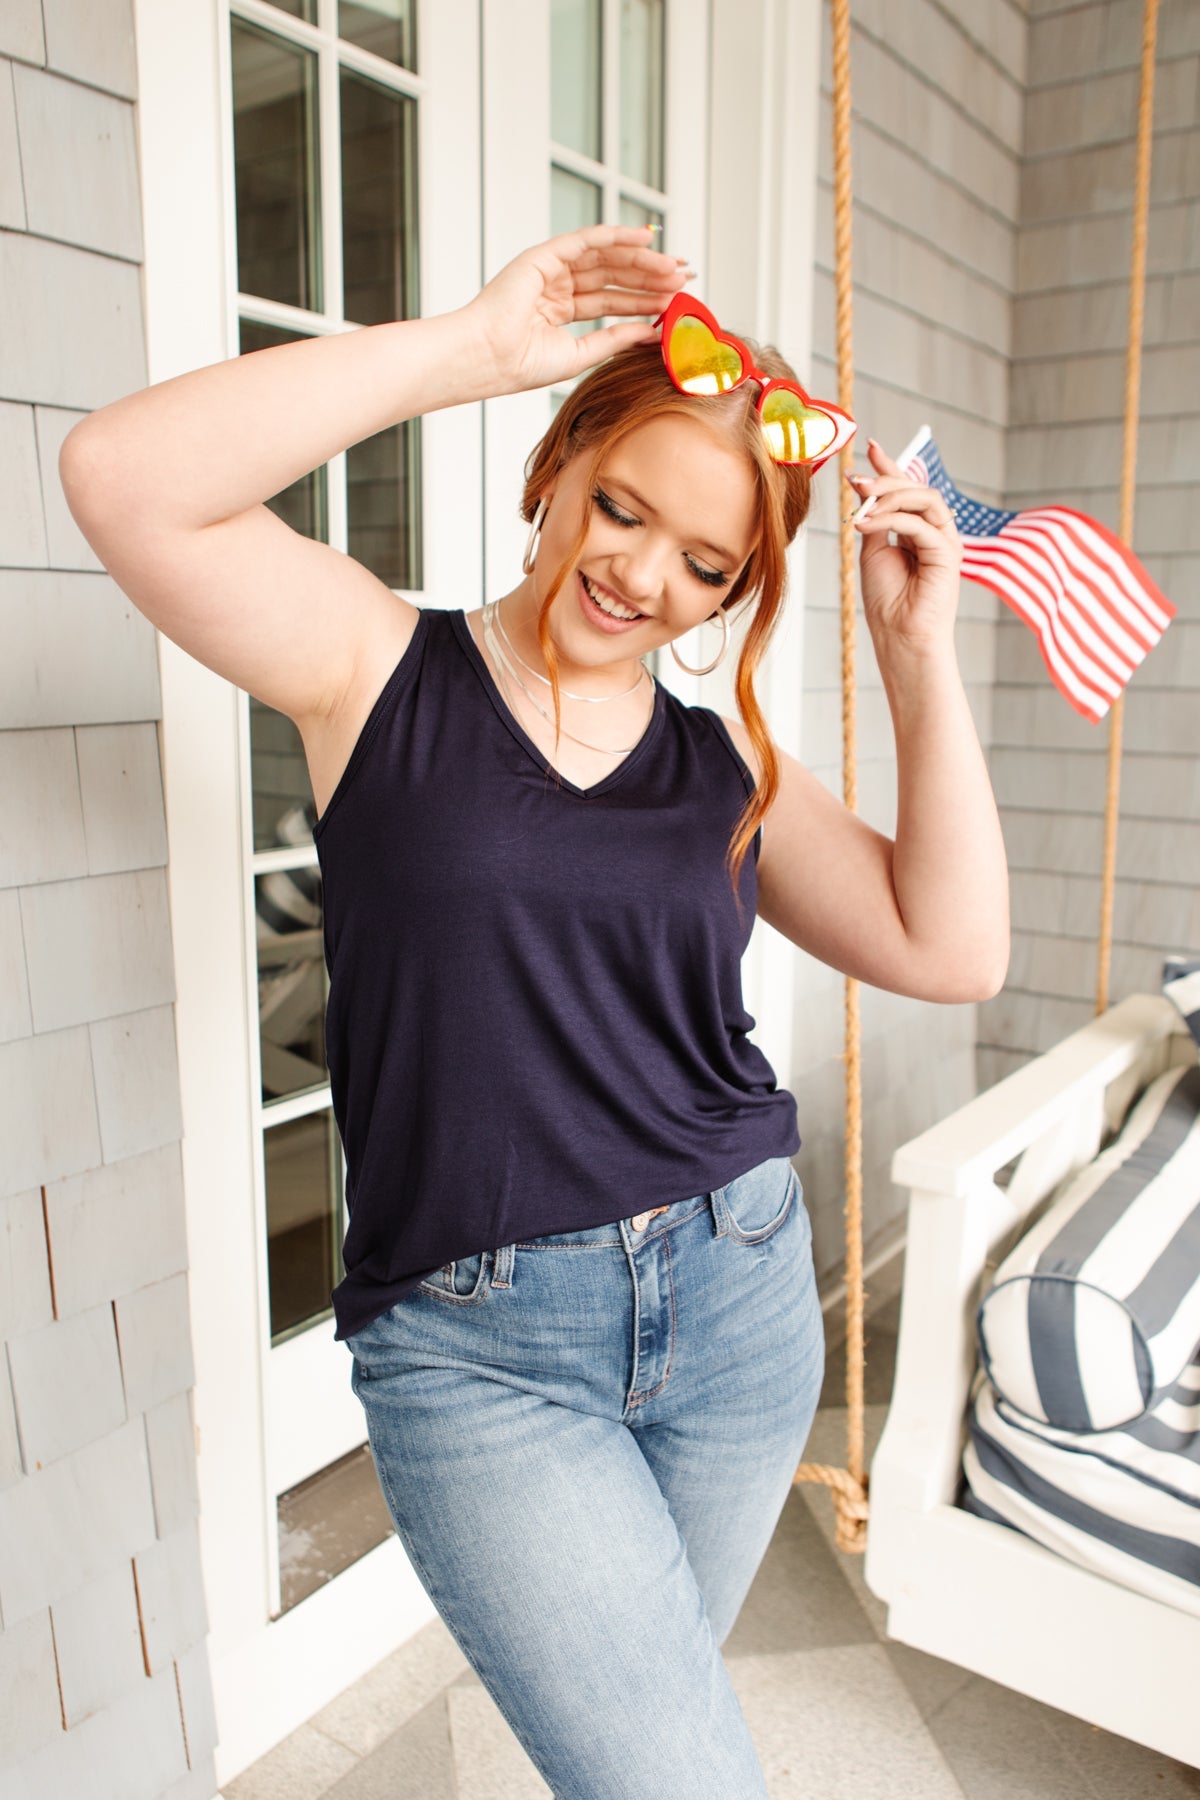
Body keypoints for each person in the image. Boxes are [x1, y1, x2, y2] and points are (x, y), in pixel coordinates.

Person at [59, 224, 1009, 1797]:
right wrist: (467, 351)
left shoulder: (722, 765)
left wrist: (919, 656)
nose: (641, 577)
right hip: (477, 1347)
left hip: (739, 1294)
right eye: (622, 508)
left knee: (645, 1753)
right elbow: (119, 477)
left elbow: (951, 945)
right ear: (556, 466)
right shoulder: (374, 670)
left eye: (705, 565)